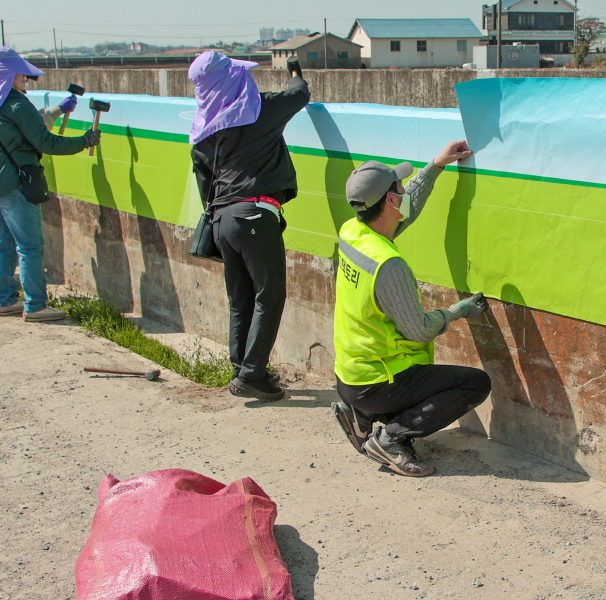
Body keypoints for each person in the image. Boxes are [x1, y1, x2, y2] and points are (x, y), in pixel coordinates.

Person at [330, 145, 490, 477]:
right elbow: (418, 330)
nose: (403, 191)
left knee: (413, 384)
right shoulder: (389, 265)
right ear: (389, 201)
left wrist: (436, 165)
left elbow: (408, 208)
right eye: (398, 187)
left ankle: (360, 415)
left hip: (350, 375)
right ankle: (389, 438)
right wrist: (456, 312)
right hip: (378, 381)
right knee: (475, 384)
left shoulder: (353, 231)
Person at [188, 50, 310, 401]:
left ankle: (241, 367)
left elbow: (204, 182)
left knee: (240, 298)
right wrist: (295, 72)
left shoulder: (202, 131)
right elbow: (299, 95)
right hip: (255, 215)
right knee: (269, 295)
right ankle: (253, 374)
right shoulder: (260, 111)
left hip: (223, 219)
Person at [0, 46, 96, 322]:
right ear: (7, 74)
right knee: (30, 247)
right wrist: (84, 141)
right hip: (15, 186)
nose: (25, 78)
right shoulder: (16, 104)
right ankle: (35, 306)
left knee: (2, 244)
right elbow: (46, 142)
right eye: (20, 74)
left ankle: (4, 300)